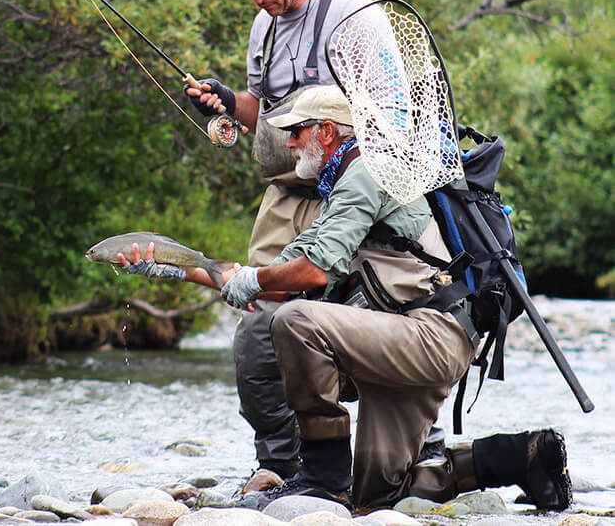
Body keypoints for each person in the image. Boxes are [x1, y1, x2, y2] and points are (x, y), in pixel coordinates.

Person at [218, 84, 572, 512]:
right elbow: (286, 275)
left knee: (295, 323)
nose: (289, 142)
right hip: (412, 338)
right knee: (380, 496)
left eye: (297, 131)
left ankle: (323, 477)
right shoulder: (344, 187)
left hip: (429, 336)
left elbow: (311, 270)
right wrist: (185, 267)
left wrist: (253, 282)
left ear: (327, 132)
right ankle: (524, 455)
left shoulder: (365, 174)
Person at [182, 0, 444, 482]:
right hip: (288, 186)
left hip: (360, 183)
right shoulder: (263, 26)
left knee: (376, 303)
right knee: (260, 311)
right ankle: (281, 463)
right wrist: (228, 102)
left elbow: (395, 115)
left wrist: (360, 189)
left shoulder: (354, 18)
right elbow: (268, 115)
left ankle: (422, 438)